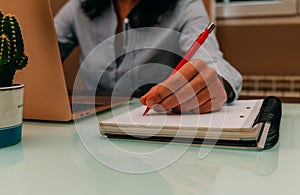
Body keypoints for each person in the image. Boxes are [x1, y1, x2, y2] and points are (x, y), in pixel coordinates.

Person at [54, 0, 242, 114]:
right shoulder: (77, 7)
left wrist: (216, 81)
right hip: (88, 128)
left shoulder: (185, 6)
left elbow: (211, 60)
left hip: (154, 129)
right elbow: (39, 56)